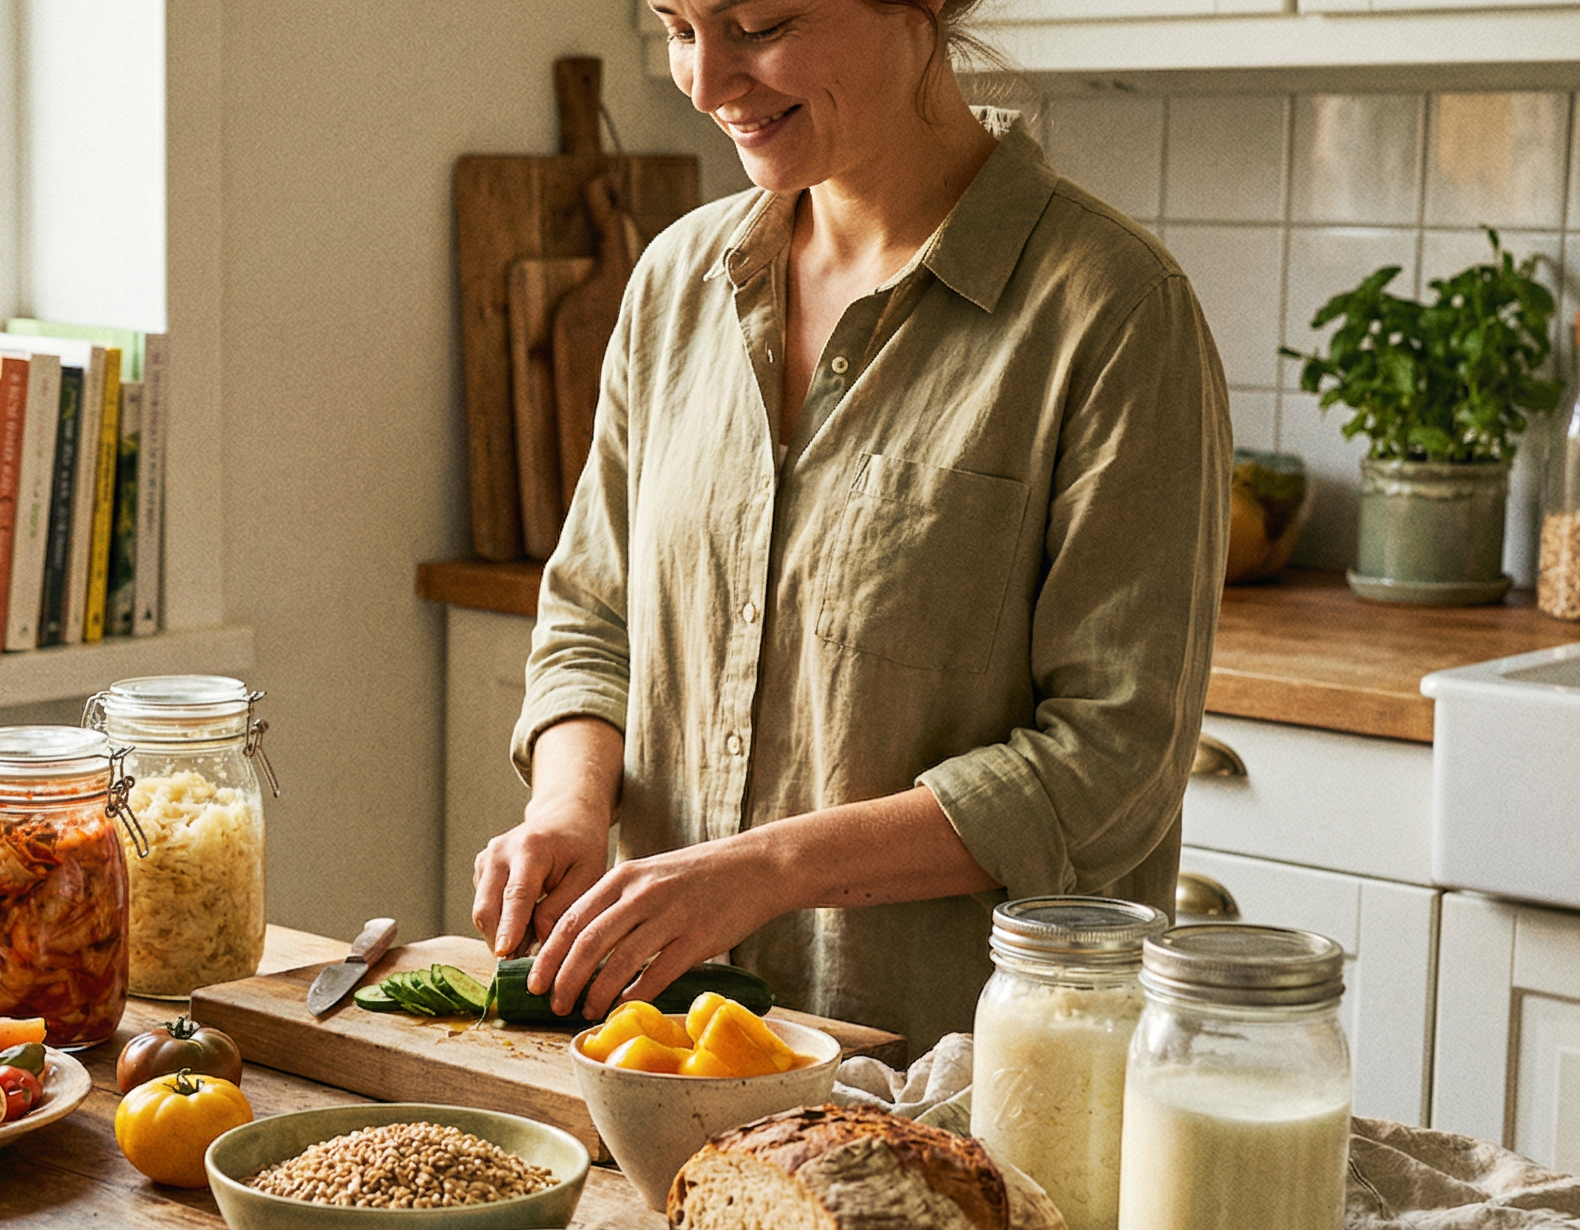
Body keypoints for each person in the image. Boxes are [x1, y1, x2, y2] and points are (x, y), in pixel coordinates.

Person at [473, 0, 1229, 1051]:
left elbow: (1111, 761)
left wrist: (765, 872)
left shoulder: (1113, 311)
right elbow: (593, 620)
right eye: (679, 27)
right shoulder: (674, 284)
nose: (703, 82)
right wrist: (567, 807)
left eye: (759, 23)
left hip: (965, 1077)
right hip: (660, 1054)